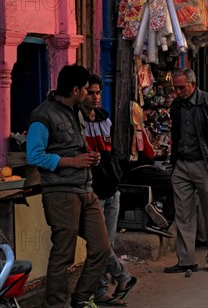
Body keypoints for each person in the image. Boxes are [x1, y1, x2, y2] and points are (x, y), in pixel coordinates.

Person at [26, 64, 111, 308]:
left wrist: (87, 156)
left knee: (101, 248)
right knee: (63, 254)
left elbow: (72, 146)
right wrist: (73, 161)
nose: (89, 94)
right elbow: (34, 155)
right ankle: (56, 305)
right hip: (61, 193)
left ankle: (82, 299)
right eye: (86, 89)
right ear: (75, 90)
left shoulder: (75, 111)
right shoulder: (42, 116)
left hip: (85, 189)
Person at [165, 68, 208, 274]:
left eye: (181, 87)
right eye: (175, 88)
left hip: (205, 163)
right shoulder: (176, 105)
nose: (177, 91)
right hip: (182, 164)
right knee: (183, 214)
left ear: (192, 84)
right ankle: (186, 259)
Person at [81, 75, 137, 306]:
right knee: (99, 243)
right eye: (91, 93)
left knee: (107, 243)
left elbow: (111, 151)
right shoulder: (77, 121)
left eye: (97, 93)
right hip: (92, 190)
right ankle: (121, 277)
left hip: (111, 187)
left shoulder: (104, 118)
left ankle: (103, 291)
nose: (95, 97)